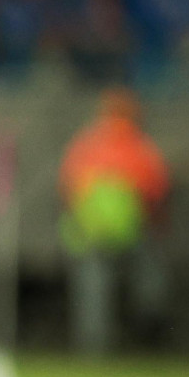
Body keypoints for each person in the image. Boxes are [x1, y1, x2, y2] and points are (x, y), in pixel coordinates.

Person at [58, 89, 170, 354]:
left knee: (94, 292)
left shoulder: (86, 144)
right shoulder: (140, 146)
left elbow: (67, 188)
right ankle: (147, 340)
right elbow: (157, 191)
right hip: (132, 232)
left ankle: (94, 349)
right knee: (148, 285)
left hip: (91, 231)